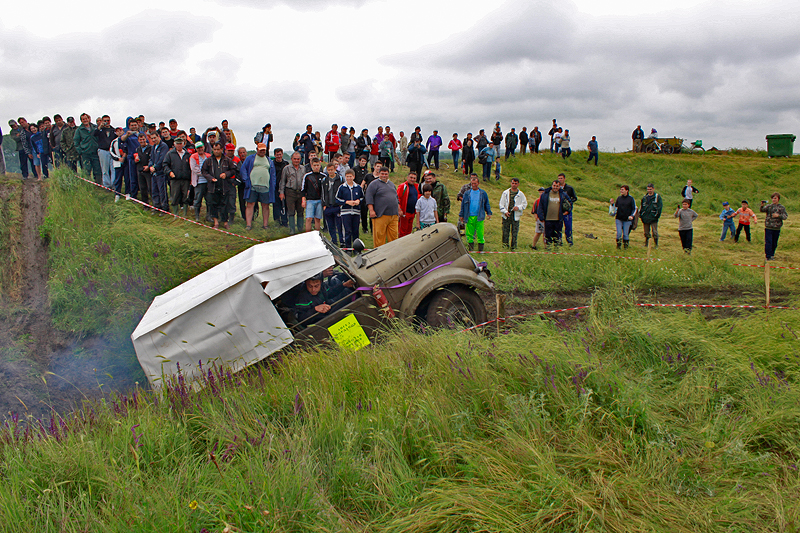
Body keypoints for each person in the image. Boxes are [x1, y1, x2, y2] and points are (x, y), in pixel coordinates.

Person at [240, 142, 277, 231]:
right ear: (257, 149)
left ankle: (265, 225)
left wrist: (273, 184)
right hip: (252, 186)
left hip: (265, 186)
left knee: (265, 206)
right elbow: (243, 169)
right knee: (250, 204)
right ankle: (248, 225)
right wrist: (246, 180)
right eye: (260, 150)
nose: (262, 151)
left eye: (264, 150)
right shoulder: (250, 158)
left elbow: (273, 174)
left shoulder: (269, 160)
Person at [201, 142, 237, 228]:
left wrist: (226, 174)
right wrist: (210, 178)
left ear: (222, 150)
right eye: (215, 149)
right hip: (213, 186)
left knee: (224, 204)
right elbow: (204, 171)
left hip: (224, 185)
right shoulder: (208, 160)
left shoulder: (227, 160)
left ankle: (225, 222)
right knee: (213, 204)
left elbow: (233, 170)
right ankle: (216, 222)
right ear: (212, 150)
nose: (216, 151)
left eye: (218, 149)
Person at [365, 166, 399, 246]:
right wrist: (371, 210)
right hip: (380, 215)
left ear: (388, 174)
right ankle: (379, 254)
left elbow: (396, 198)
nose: (384, 175)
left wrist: (399, 210)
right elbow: (369, 198)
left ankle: (393, 253)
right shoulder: (373, 184)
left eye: (386, 174)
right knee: (379, 237)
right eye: (382, 173)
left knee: (394, 236)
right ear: (379, 174)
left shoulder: (391, 184)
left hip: (393, 215)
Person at [459, 175, 492, 251]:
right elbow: (463, 205)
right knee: (469, 234)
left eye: (475, 183)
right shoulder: (467, 193)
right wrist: (461, 215)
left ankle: (481, 249)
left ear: (478, 183)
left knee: (480, 233)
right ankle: (471, 249)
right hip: (469, 216)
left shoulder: (483, 193)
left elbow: (486, 203)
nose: (473, 185)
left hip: (479, 216)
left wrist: (489, 213)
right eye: (472, 183)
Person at [537, 179, 571, 248]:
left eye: (557, 186)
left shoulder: (563, 194)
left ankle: (557, 249)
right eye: (554, 185)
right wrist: (541, 216)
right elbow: (540, 205)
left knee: (557, 236)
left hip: (558, 220)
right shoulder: (545, 194)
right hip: (548, 219)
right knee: (548, 236)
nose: (555, 187)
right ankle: (548, 249)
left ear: (559, 187)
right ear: (552, 185)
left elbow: (570, 203)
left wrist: (568, 211)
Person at [164, 137, 193, 216]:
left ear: (183, 144)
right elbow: (165, 165)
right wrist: (169, 172)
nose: (179, 145)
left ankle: (185, 215)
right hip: (175, 179)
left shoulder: (188, 154)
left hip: (186, 179)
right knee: (175, 196)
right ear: (174, 144)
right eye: (177, 144)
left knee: (185, 197)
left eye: (180, 143)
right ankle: (176, 215)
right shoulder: (170, 154)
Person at [336, 169, 364, 249]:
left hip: (356, 212)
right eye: (347, 176)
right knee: (347, 231)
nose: (349, 178)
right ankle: (348, 247)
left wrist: (358, 201)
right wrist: (346, 202)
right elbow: (337, 199)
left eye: (350, 176)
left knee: (355, 231)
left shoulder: (358, 187)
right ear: (345, 177)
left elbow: (362, 198)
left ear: (353, 177)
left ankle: (356, 248)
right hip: (345, 212)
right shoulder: (342, 187)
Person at [280, 151, 306, 234]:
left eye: (298, 159)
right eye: (295, 159)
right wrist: (281, 192)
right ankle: (292, 229)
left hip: (300, 192)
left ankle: (300, 229)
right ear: (291, 159)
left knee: (300, 211)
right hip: (290, 192)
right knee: (291, 211)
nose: (296, 160)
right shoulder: (286, 168)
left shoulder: (303, 168)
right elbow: (282, 181)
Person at [499, 177, 527, 250]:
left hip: (515, 215)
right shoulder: (505, 193)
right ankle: (505, 246)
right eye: (513, 183)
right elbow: (501, 204)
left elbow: (524, 204)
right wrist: (505, 211)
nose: (514, 185)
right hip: (506, 215)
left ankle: (513, 247)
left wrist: (518, 207)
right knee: (505, 232)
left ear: (518, 184)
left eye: (515, 183)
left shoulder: (521, 194)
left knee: (514, 232)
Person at [73, 113, 102, 184]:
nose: (85, 120)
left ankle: (98, 183)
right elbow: (76, 141)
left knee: (97, 169)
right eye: (83, 119)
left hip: (95, 152)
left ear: (89, 119)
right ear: (81, 120)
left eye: (86, 118)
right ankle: (88, 184)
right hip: (85, 152)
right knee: (87, 169)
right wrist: (80, 151)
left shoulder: (95, 127)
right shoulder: (79, 130)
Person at [760, 193, 788, 261]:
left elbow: (785, 216)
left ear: (778, 199)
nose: (774, 199)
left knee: (774, 242)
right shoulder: (769, 206)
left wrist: (778, 216)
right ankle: (768, 256)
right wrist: (762, 206)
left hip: (777, 227)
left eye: (775, 198)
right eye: (773, 198)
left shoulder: (781, 207)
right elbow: (762, 210)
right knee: (768, 242)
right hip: (769, 227)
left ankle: (772, 254)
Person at [322, 161, 344, 244]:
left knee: (339, 225)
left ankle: (342, 241)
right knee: (330, 225)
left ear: (335, 169)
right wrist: (324, 205)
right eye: (329, 170)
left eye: (332, 170)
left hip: (337, 206)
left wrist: (341, 203)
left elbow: (342, 192)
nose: (330, 171)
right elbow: (323, 193)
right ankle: (334, 240)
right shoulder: (325, 180)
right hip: (328, 206)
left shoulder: (340, 178)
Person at [301, 159, 325, 232]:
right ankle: (307, 235)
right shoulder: (307, 176)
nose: (316, 167)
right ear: (311, 166)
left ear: (320, 165)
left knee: (317, 219)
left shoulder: (324, 176)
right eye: (314, 165)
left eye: (317, 165)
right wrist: (303, 200)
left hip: (320, 200)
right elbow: (303, 189)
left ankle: (316, 235)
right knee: (308, 218)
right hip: (310, 200)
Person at [397, 172, 421, 237]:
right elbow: (397, 198)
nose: (412, 179)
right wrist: (400, 210)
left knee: (409, 230)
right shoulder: (403, 186)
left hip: (412, 212)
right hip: (405, 212)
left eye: (414, 178)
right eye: (411, 177)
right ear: (407, 177)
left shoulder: (417, 186)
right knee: (402, 230)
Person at [639, 183, 663, 248]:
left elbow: (659, 207)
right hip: (645, 217)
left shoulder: (657, 197)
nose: (649, 190)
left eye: (650, 189)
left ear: (653, 189)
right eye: (648, 189)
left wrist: (656, 215)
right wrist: (641, 215)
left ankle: (656, 245)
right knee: (646, 232)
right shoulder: (644, 197)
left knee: (654, 232)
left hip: (653, 217)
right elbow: (641, 207)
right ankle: (646, 244)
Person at [272, 148, 289, 227]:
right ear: (275, 155)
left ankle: (285, 221)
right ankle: (276, 221)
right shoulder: (272, 164)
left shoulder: (286, 164)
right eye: (277, 154)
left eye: (280, 154)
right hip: (275, 187)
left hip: (285, 187)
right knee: (276, 205)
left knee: (285, 204)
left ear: (282, 154)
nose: (279, 156)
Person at [109, 127, 128, 198]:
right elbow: (111, 151)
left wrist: (124, 156)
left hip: (126, 162)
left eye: (120, 131)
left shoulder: (126, 140)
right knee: (118, 179)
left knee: (127, 178)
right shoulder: (114, 141)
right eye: (117, 131)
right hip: (117, 163)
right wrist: (118, 158)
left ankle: (127, 193)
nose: (119, 132)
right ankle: (117, 194)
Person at [135, 133, 153, 207]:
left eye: (143, 139)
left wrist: (149, 166)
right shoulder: (137, 149)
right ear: (138, 140)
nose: (142, 141)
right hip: (140, 170)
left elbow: (152, 158)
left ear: (146, 139)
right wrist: (135, 160)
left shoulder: (151, 148)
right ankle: (145, 204)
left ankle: (155, 204)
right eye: (140, 139)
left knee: (151, 188)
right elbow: (136, 158)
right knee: (142, 188)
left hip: (148, 171)